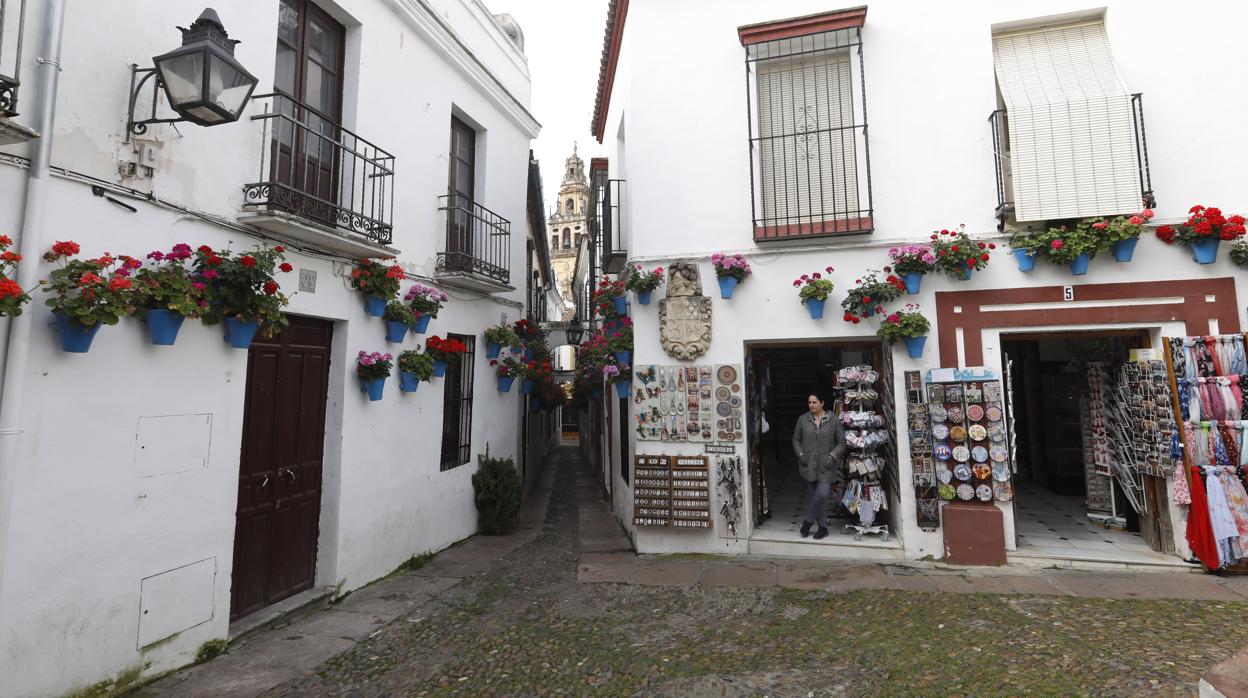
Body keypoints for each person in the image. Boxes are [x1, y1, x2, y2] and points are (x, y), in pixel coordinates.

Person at [792, 391, 847, 539]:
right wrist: (801, 455)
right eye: (809, 402)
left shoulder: (834, 420)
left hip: (827, 465)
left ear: (822, 403)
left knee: (822, 494)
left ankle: (807, 522)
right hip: (808, 464)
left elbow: (842, 443)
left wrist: (832, 456)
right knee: (816, 497)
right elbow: (796, 439)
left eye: (814, 402)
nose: (811, 405)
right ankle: (823, 528)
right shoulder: (803, 419)